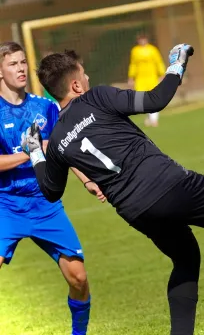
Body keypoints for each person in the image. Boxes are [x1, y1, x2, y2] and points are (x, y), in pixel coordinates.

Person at [22, 45, 204, 335]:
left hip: (135, 210)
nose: (89, 77)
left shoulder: (56, 140)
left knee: (185, 258)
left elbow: (51, 191)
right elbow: (156, 99)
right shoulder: (97, 96)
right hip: (167, 183)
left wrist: (34, 152)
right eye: (84, 74)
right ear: (75, 84)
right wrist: (177, 65)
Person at [0, 41, 104, 335]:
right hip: (6, 205)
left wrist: (87, 179)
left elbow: (65, 148)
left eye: (22, 63)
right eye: (12, 64)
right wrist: (31, 152)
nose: (20, 69)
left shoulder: (45, 107)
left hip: (45, 204)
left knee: (79, 279)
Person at [127, 34, 166, 127]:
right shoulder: (135, 51)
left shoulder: (152, 50)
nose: (142, 41)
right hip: (140, 78)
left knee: (154, 97)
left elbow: (158, 62)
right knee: (143, 99)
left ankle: (154, 120)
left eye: (143, 39)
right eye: (140, 40)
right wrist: (131, 77)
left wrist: (162, 74)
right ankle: (150, 117)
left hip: (152, 77)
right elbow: (133, 65)